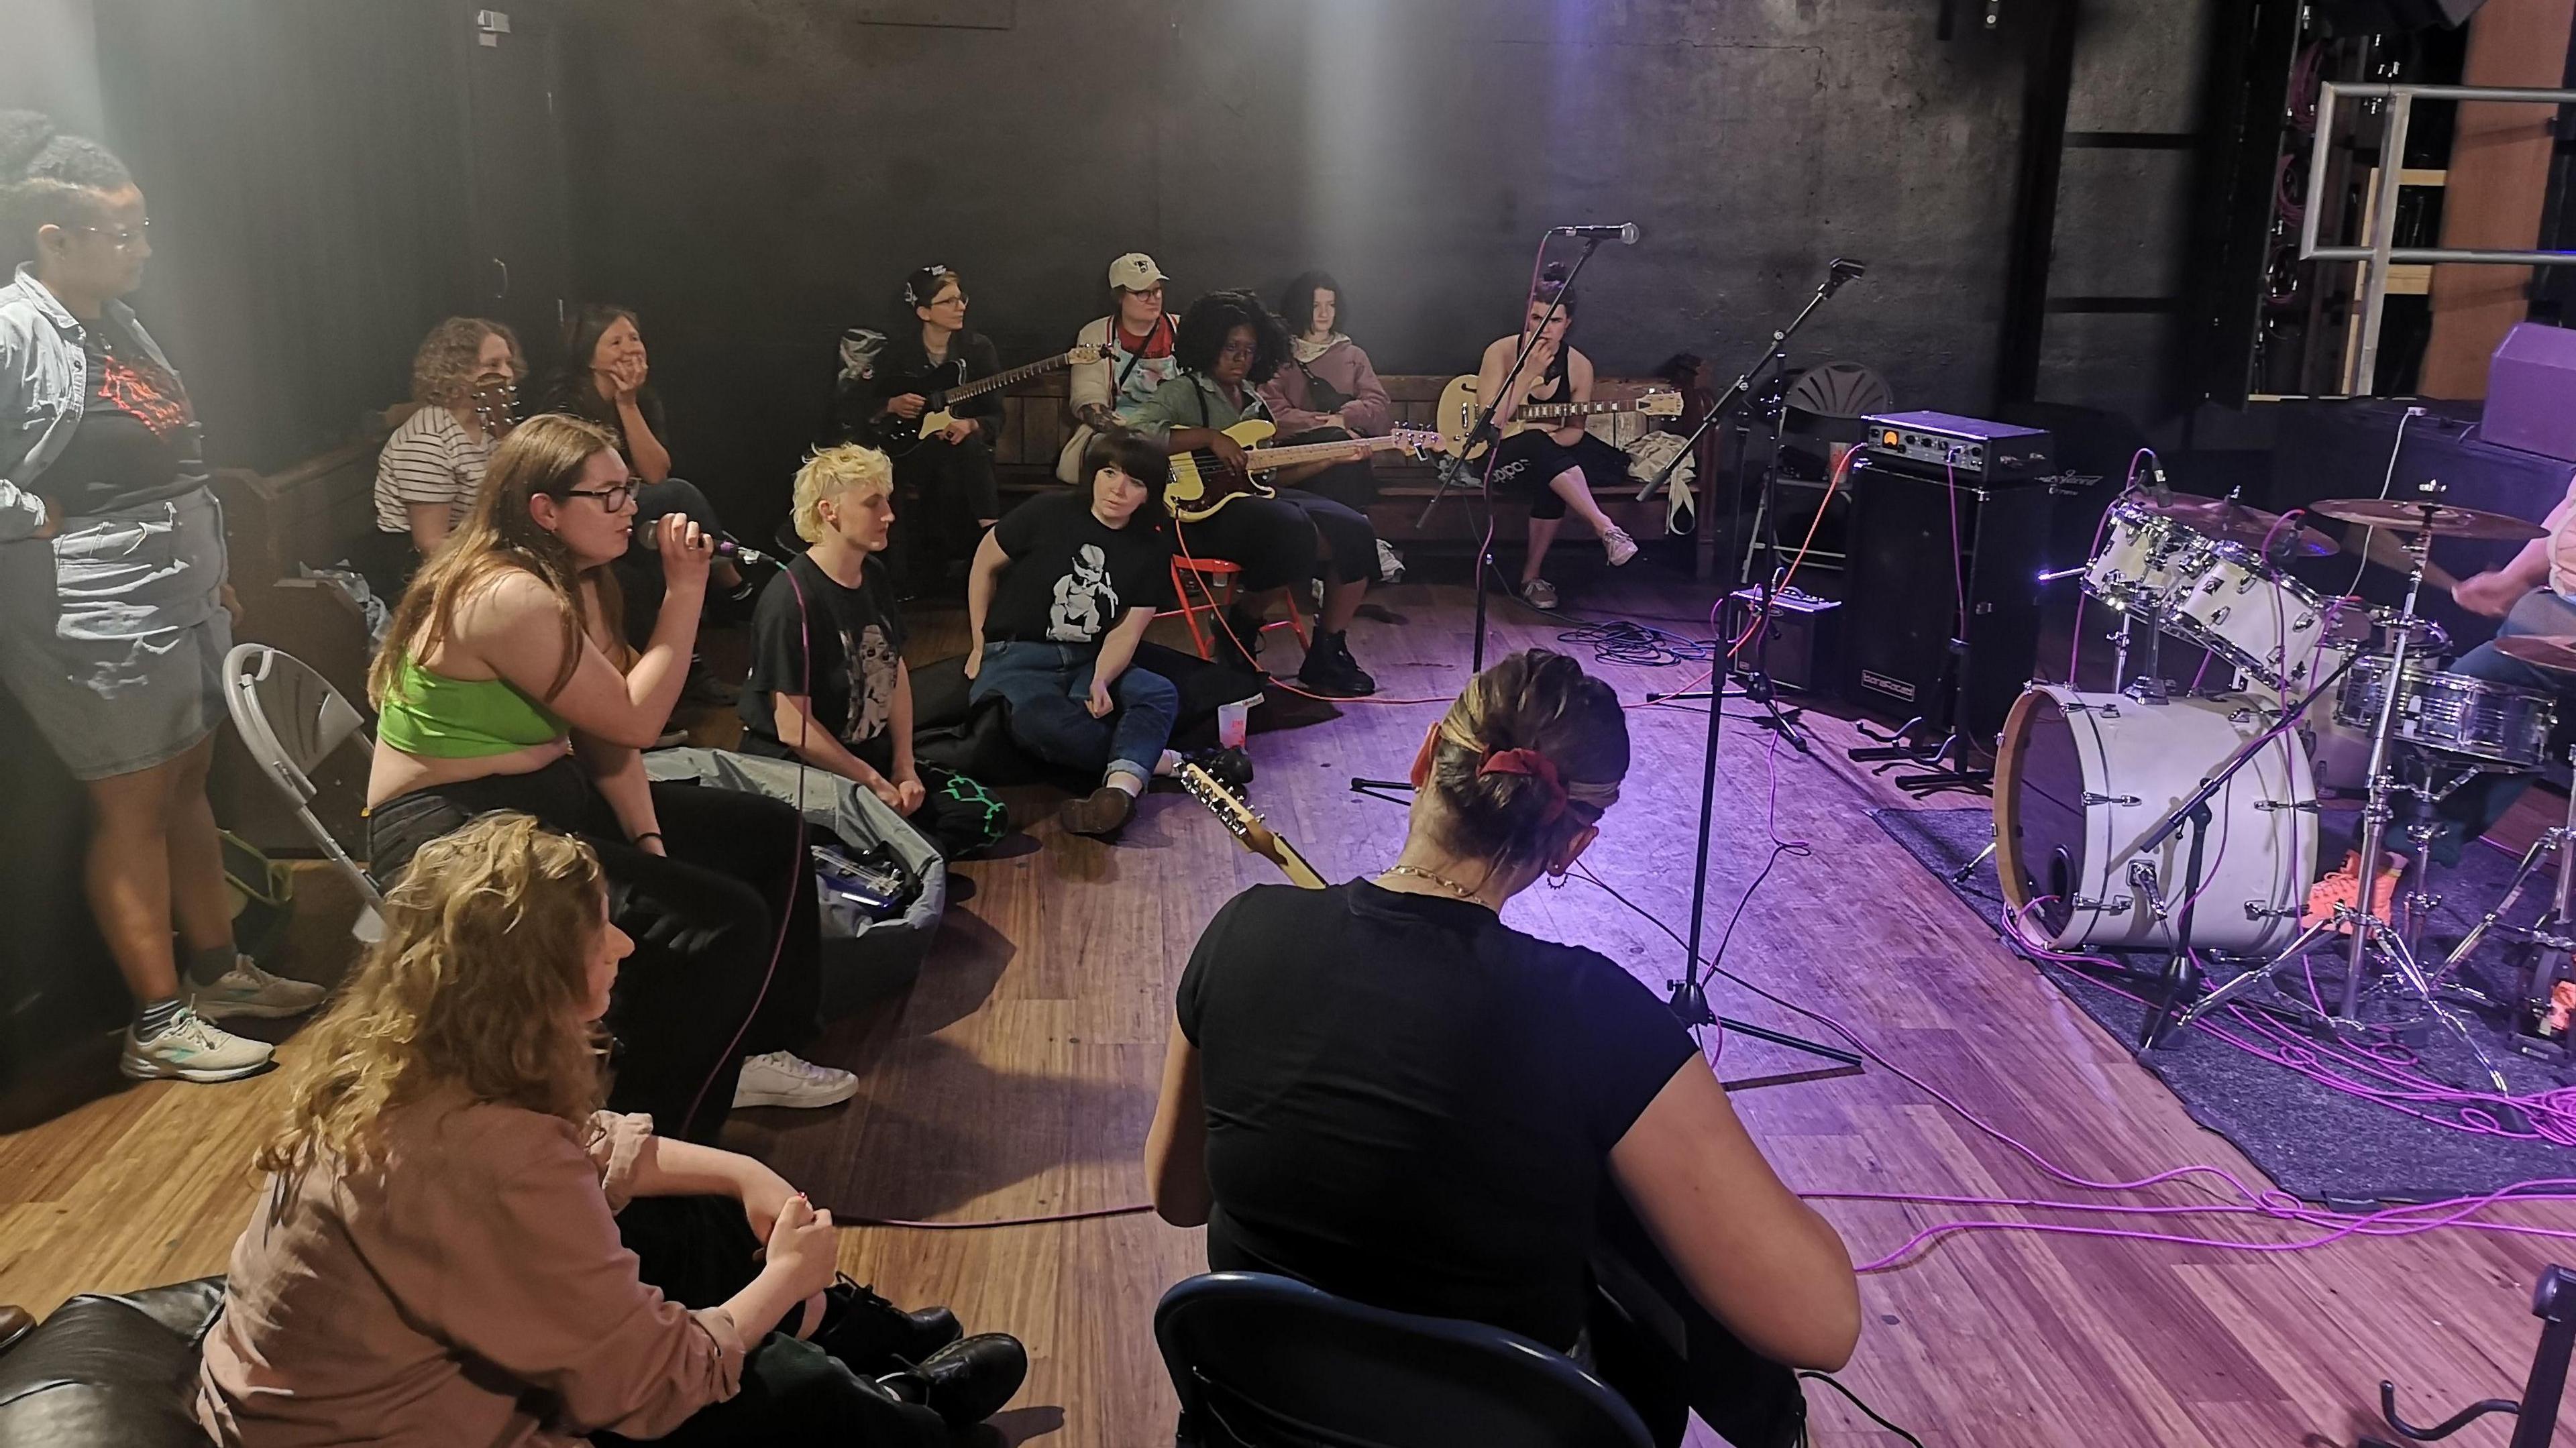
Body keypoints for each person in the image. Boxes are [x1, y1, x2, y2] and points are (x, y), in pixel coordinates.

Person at [1144, 649, 1860, 1448]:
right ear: (1571, 847)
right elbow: (1820, 1327)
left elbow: (1179, 1197)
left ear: (1425, 757)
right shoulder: (1596, 1016)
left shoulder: (1242, 932)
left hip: (1265, 1424)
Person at [195, 812, 1028, 1447]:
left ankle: (854, 1338)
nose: (625, 943)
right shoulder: (484, 1156)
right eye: (602, 930)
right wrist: (783, 1275)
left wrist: (749, 1176)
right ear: (536, 978)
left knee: (686, 1204)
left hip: (328, 1392)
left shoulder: (414, 1058)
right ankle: (901, 1414)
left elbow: (594, 1149)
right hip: (380, 1429)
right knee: (749, 1378)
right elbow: (653, 1383)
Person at [363, 412, 854, 1138]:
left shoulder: (576, 581)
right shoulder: (505, 594)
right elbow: (633, 721)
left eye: (630, 490)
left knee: (773, 833)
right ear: (545, 510)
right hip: (455, 828)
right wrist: (686, 590)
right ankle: (647, 1131)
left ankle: (750, 1045)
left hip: (544, 796)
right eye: (611, 496)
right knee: (721, 924)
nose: (635, 509)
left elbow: (606, 738)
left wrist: (648, 836)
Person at [0, 109, 321, 1083]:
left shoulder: (115, 317)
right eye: (123, 231)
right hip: (94, 610)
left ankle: (219, 972)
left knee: (187, 784)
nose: (144, 247)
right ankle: (158, 1020)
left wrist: (209, 558)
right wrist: (24, 511)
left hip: (176, 587)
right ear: (55, 237)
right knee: (133, 802)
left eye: (142, 227)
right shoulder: (16, 330)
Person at [740, 443, 1007, 858]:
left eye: (886, 500)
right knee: (883, 844)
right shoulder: (790, 600)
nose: (889, 514)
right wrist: (872, 782)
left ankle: (889, 853)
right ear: (829, 511)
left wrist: (903, 766)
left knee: (986, 817)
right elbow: (795, 729)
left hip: (866, 758)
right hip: (802, 770)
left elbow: (893, 670)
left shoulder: (873, 574)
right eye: (873, 503)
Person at [1125, 290, 1380, 698]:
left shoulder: (1257, 405)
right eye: (1230, 348)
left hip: (1253, 502)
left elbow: (1275, 474)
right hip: (1198, 515)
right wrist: (1209, 438)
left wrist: (1332, 458)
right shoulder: (1184, 391)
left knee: (1356, 528)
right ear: (1209, 346)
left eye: (1249, 350)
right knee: (1290, 528)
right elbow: (1133, 435)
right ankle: (1240, 625)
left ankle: (1328, 651)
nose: (1240, 358)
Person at [965, 430, 1183, 838]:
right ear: (1093, 475)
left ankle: (1117, 793)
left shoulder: (1151, 548)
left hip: (1088, 656)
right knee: (1036, 721)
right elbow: (984, 565)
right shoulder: (1047, 511)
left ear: (1149, 494)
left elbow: (1127, 630)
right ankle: (1155, 763)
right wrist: (979, 642)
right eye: (1109, 473)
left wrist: (1101, 677)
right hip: (1019, 653)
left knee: (1157, 692)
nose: (1117, 490)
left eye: (1135, 482)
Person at [545, 303, 744, 686]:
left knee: (658, 552)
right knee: (679, 496)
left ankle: (689, 667)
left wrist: (627, 404)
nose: (630, 348)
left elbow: (653, 471)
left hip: (626, 507)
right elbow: (598, 481)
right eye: (615, 341)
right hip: (585, 513)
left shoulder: (641, 399)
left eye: (634, 338)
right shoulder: (564, 402)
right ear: (589, 356)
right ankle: (731, 581)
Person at [1474, 264, 1642, 611]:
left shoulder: (1579, 366)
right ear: (1527, 318)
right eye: (1536, 319)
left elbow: (1574, 432)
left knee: (1547, 466)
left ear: (1567, 325)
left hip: (1545, 464)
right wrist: (1528, 374)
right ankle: (1606, 528)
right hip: (1495, 459)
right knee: (1537, 444)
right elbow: (1490, 422)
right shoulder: (1501, 352)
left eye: (1553, 321)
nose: (1544, 329)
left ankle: (1531, 580)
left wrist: (1546, 440)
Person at [2430, 469, 2576, 862]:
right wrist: (2514, 578)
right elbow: (2571, 506)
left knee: (2471, 691)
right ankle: (2393, 863)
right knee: (2458, 712)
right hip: (2555, 612)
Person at [841, 265, 1002, 578]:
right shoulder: (897, 352)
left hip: (960, 452)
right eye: (949, 301)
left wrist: (971, 425)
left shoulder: (978, 349)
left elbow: (996, 415)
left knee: (968, 451)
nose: (961, 307)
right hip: (907, 450)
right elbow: (859, 405)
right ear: (924, 312)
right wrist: (891, 405)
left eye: (961, 298)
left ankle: (989, 539)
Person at [366, 316, 525, 596]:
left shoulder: (490, 422)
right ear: (456, 372)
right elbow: (431, 544)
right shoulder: (428, 439)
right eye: (492, 365)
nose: (507, 373)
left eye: (508, 363)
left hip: (476, 546)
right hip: (418, 573)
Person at [1257, 270, 1391, 514]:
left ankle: (1358, 529)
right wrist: (1327, 426)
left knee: (1348, 449)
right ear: (1301, 307)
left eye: (1330, 305)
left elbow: (1378, 405)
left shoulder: (1353, 356)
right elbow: (1271, 412)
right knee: (1340, 443)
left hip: (1349, 449)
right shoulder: (1282, 356)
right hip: (1298, 455)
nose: (1324, 313)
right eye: (1316, 305)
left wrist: (1346, 419)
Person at [1057, 251, 1181, 484]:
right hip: (1118, 436)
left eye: (1157, 290)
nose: (1153, 298)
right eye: (1142, 292)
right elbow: (1087, 401)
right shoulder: (1095, 334)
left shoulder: (1182, 329)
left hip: (1176, 433)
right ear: (1120, 296)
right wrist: (1135, 434)